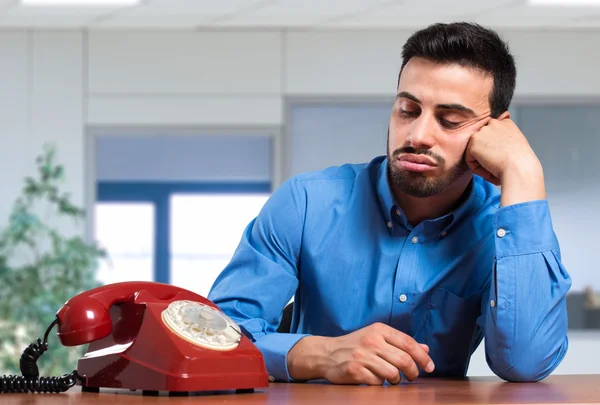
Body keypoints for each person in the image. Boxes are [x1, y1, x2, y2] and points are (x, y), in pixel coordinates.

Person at [207, 22, 571, 385]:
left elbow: (525, 363)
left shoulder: (507, 227)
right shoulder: (304, 202)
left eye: (450, 120)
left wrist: (523, 173)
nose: (417, 136)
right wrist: (321, 355)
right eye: (408, 111)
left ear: (496, 131)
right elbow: (214, 337)